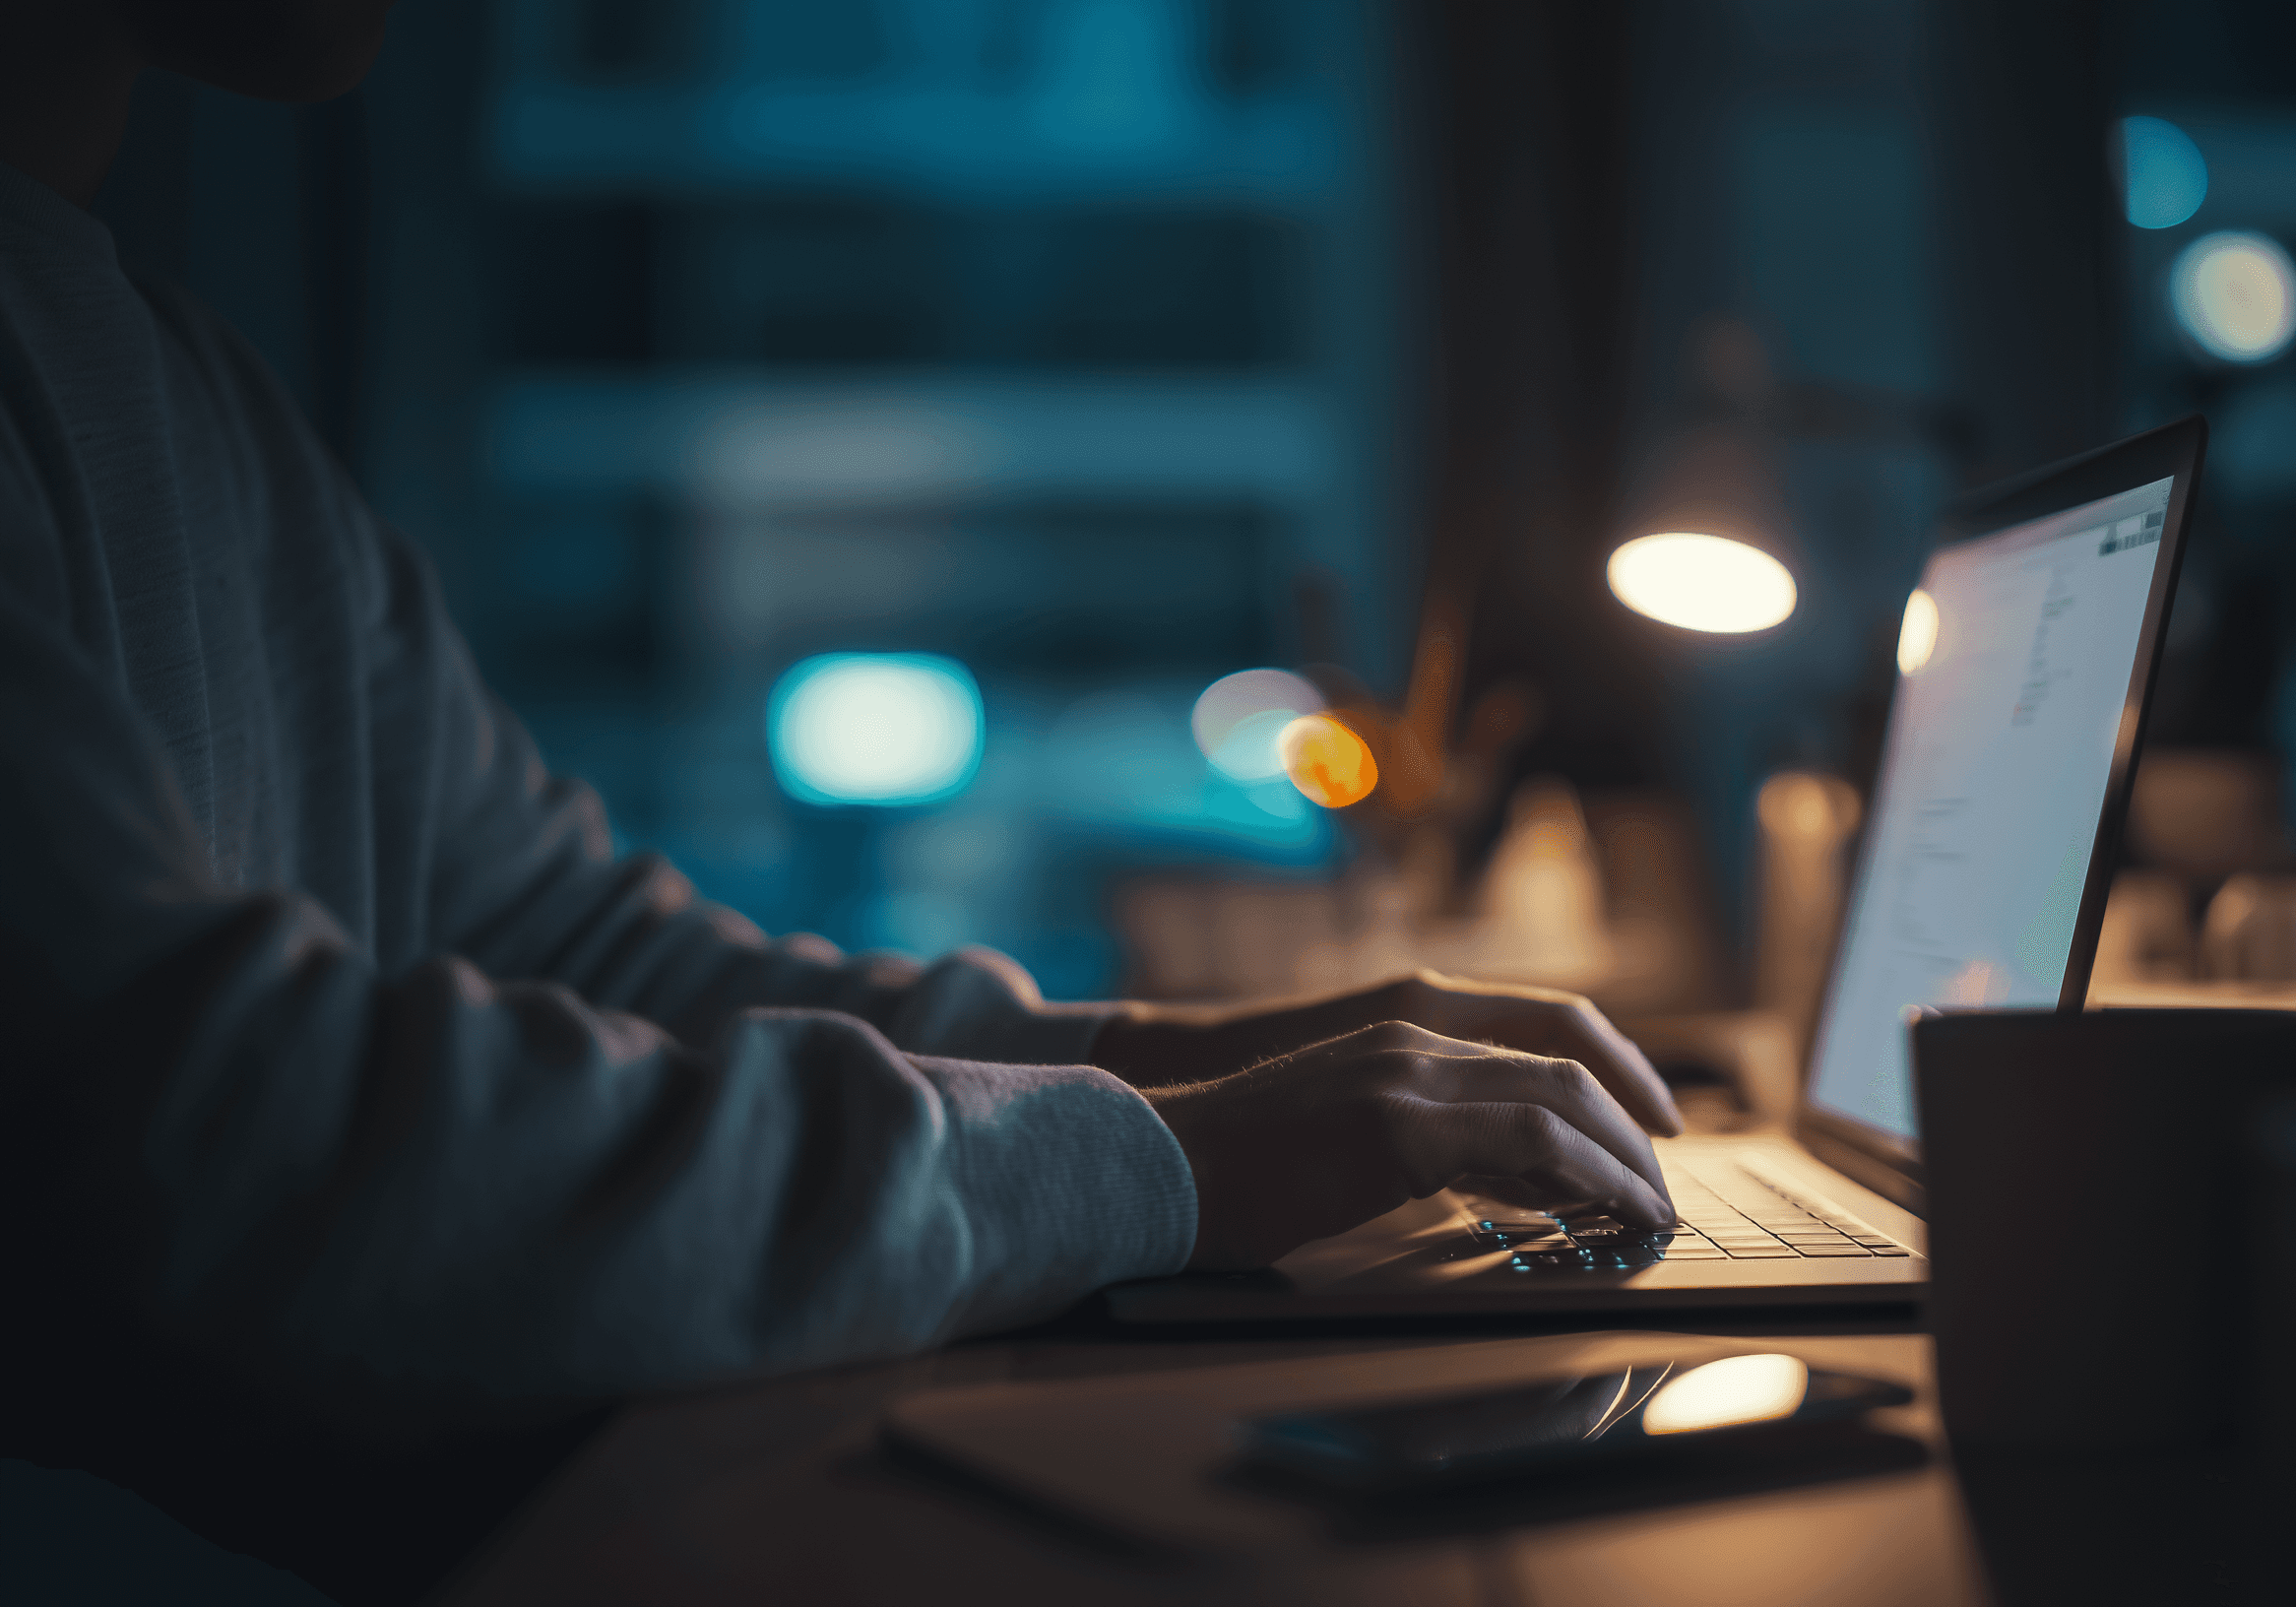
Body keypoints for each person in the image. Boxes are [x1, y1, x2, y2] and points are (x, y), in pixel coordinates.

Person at [0, 2, 1678, 1597]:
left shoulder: (189, 388)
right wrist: (1160, 1162)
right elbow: (218, 1142)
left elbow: (575, 957)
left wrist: (1206, 1062)